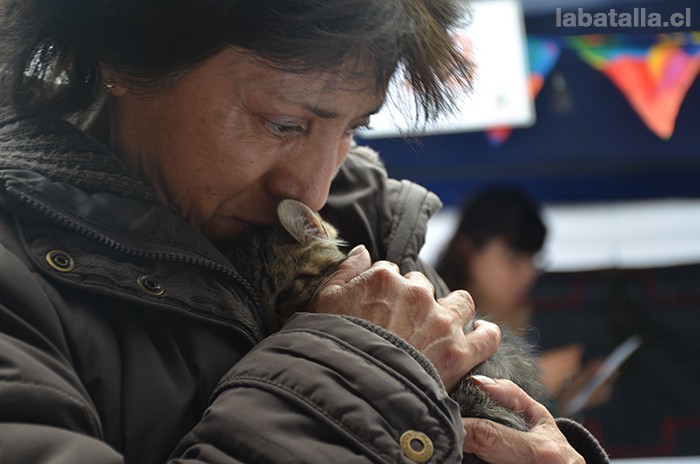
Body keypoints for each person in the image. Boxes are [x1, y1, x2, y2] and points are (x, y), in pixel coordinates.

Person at [0, 1, 607, 462]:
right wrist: (356, 376)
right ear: (125, 58)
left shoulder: (369, 227)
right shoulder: (17, 282)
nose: (313, 192)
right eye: (283, 123)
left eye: (352, 129)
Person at [436, 186, 613, 416]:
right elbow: (445, 415)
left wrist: (567, 402)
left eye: (534, 260)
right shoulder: (435, 313)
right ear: (468, 249)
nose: (529, 274)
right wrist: (529, 382)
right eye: (513, 258)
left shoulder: (516, 316)